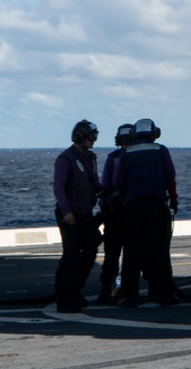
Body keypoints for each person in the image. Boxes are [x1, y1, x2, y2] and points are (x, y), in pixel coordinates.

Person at [114, 118, 178, 307]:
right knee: (160, 253)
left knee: (132, 253)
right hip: (157, 206)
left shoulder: (126, 153)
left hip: (132, 207)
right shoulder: (161, 150)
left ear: (134, 134)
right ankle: (164, 294)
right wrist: (173, 200)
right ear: (154, 133)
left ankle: (129, 295)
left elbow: (118, 182)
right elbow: (170, 178)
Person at [52, 120, 102, 313]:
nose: (94, 140)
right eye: (91, 137)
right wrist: (67, 212)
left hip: (85, 213)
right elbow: (59, 188)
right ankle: (63, 299)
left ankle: (74, 292)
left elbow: (94, 183)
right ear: (80, 137)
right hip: (70, 215)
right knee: (71, 257)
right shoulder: (66, 159)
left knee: (90, 252)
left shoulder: (90, 158)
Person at [95, 124, 132, 305]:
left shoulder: (115, 158)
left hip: (123, 213)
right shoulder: (114, 159)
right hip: (117, 214)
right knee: (114, 255)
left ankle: (116, 289)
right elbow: (105, 187)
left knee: (120, 255)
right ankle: (108, 289)